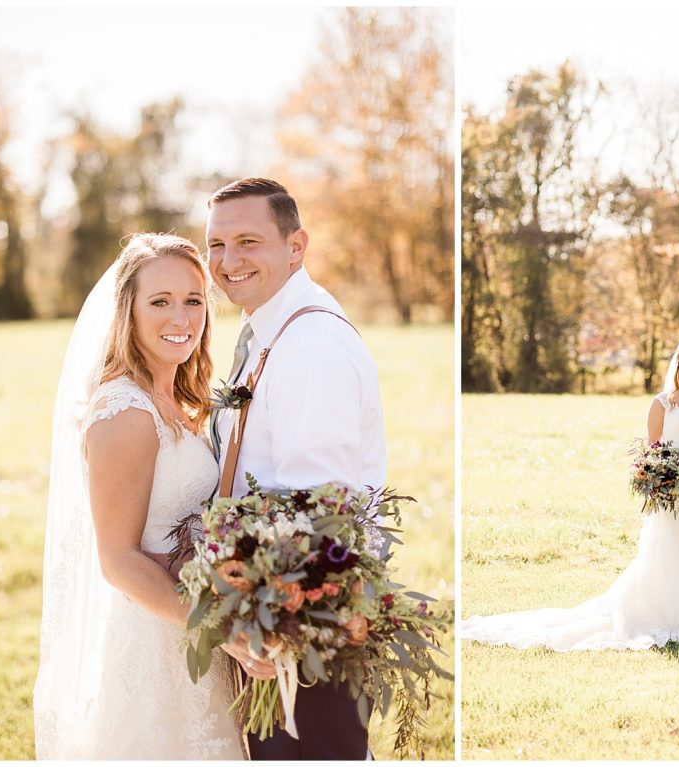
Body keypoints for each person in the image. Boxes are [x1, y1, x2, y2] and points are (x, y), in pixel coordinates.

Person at [33, 234, 243, 759]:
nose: (181, 317)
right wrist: (222, 627)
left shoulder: (175, 402)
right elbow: (119, 560)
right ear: (127, 310)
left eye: (194, 300)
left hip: (193, 636)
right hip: (157, 649)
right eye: (160, 302)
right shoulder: (126, 412)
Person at [206, 177, 387, 760]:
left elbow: (321, 516)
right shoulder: (269, 329)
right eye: (216, 245)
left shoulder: (310, 346)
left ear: (295, 245)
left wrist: (266, 619)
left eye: (248, 241)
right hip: (273, 630)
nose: (228, 261)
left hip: (302, 635)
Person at [462, 339, 679, 650]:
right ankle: (671, 612)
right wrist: (661, 481)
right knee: (671, 544)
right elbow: (652, 451)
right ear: (677, 366)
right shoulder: (662, 403)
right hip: (672, 486)